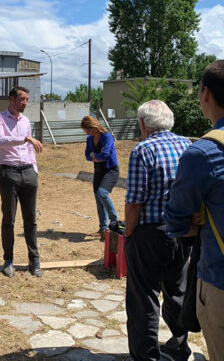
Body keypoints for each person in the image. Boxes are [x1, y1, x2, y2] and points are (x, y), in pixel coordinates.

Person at [164, 60, 224, 361]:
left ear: (205, 94)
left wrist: (194, 224)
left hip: (219, 279)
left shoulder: (203, 153)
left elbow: (175, 221)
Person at [124, 100, 192, 361]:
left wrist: (129, 234)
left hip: (150, 234)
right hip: (183, 231)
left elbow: (134, 202)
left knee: (144, 297)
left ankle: (146, 355)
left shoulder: (144, 150)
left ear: (143, 123)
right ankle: (179, 344)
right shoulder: (187, 145)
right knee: (177, 290)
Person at [0, 86, 43, 278]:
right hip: (9, 173)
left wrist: (34, 171)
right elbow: (0, 140)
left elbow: (30, 150)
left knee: (31, 220)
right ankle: (8, 260)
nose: (25, 103)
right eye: (22, 99)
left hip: (28, 172)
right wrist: (25, 138)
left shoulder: (26, 121)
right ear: (12, 99)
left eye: (27, 100)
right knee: (9, 220)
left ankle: (34, 259)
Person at [81, 116, 120, 241]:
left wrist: (96, 156)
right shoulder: (89, 139)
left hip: (111, 170)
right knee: (98, 199)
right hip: (98, 171)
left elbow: (105, 155)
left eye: (88, 130)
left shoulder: (107, 136)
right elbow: (87, 155)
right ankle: (103, 229)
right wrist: (95, 155)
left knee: (102, 193)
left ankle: (115, 221)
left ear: (94, 126)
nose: (87, 133)